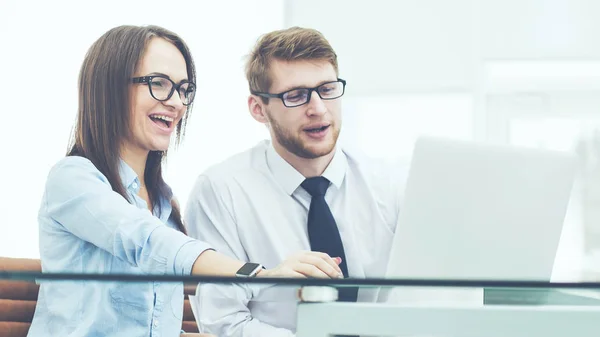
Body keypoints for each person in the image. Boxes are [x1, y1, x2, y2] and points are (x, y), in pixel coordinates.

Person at [27, 25, 343, 337]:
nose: (177, 103)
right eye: (159, 83)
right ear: (109, 89)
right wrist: (261, 274)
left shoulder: (163, 202)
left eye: (183, 89)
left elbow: (143, 321)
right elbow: (146, 243)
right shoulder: (72, 179)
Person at [184, 26, 408, 336]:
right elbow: (224, 324)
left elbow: (419, 300)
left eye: (327, 89)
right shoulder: (221, 191)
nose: (317, 108)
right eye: (296, 95)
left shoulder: (391, 183)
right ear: (258, 109)